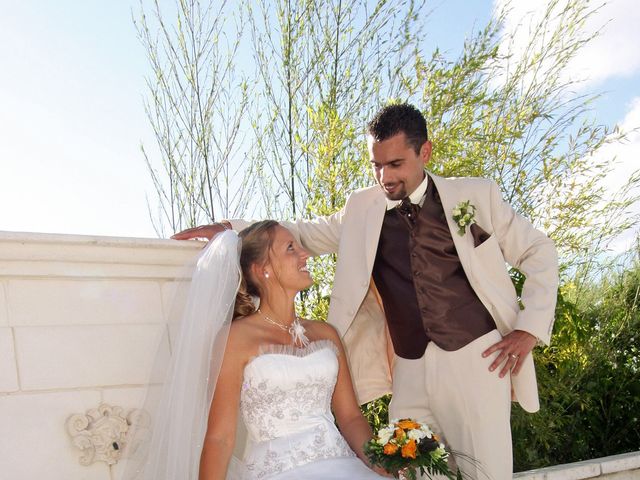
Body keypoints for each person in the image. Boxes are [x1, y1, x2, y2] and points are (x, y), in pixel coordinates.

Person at [173, 103, 559, 480]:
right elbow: (302, 233)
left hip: (478, 357)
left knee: (487, 473)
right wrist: (229, 230)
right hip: (408, 368)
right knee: (410, 474)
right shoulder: (362, 208)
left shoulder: (475, 196)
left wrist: (530, 328)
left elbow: (538, 250)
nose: (384, 177)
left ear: (424, 151)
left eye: (395, 164)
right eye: (376, 165)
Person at [126, 222, 390, 480]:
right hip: (275, 470)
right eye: (290, 248)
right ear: (262, 269)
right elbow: (220, 437)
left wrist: (381, 465)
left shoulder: (326, 333)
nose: (305, 254)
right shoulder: (235, 338)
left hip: (341, 464)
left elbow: (351, 417)